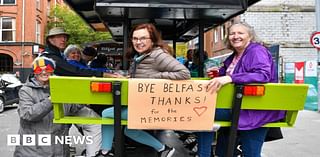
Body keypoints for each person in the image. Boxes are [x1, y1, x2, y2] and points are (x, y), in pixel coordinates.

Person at [98, 23, 191, 157]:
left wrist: (154, 77)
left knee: (107, 114)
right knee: (130, 131)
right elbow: (141, 76)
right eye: (135, 39)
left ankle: (105, 152)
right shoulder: (142, 56)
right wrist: (127, 77)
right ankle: (164, 150)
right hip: (143, 103)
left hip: (150, 107)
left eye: (143, 38)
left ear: (152, 39)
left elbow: (184, 73)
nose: (138, 42)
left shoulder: (158, 55)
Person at [201, 21, 285, 157]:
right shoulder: (234, 56)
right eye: (232, 33)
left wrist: (230, 78)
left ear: (250, 36)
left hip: (255, 109)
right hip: (238, 107)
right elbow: (232, 75)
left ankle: (203, 155)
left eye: (240, 33)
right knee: (223, 149)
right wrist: (219, 74)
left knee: (203, 114)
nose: (235, 36)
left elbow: (262, 74)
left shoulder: (257, 51)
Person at [42, 27, 122, 157]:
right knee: (57, 134)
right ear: (50, 39)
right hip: (52, 104)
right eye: (59, 37)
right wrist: (103, 74)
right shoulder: (51, 58)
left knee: (94, 124)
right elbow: (74, 71)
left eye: (65, 37)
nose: (64, 39)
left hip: (66, 102)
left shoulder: (57, 56)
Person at [14, 56, 83, 157]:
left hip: (59, 149)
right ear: (34, 72)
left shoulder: (61, 88)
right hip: (33, 151)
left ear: (53, 71)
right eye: (39, 70)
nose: (44, 72)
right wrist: (51, 100)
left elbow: (71, 108)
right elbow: (27, 114)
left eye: (48, 69)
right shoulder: (26, 90)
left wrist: (84, 99)